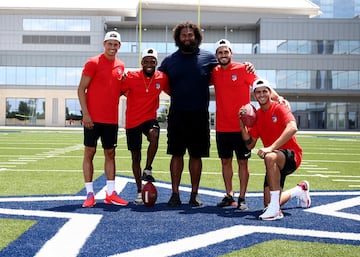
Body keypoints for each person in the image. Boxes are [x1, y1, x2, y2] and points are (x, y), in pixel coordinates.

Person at [211, 39, 285, 210]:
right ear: (216, 56)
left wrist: (278, 97)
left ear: (231, 53)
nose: (223, 55)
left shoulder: (244, 69)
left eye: (226, 52)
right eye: (220, 52)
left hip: (243, 127)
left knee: (243, 163)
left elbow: (262, 86)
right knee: (225, 162)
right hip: (222, 127)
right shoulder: (213, 72)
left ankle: (242, 197)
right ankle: (229, 195)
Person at [158, 21, 219, 207]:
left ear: (196, 37)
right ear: (178, 38)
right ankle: (175, 193)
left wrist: (248, 66)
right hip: (177, 114)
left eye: (190, 35)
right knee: (176, 154)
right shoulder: (169, 61)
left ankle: (194, 194)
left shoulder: (209, 58)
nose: (187, 38)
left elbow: (228, 70)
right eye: (183, 35)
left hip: (199, 115)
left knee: (196, 155)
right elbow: (157, 81)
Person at [239, 78, 311, 220]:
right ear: (254, 95)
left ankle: (276, 211)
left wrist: (270, 148)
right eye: (258, 92)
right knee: (268, 203)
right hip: (274, 162)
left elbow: (292, 127)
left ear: (270, 93)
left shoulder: (279, 107)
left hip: (291, 156)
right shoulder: (257, 115)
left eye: (265, 91)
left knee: (270, 156)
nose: (262, 95)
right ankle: (299, 190)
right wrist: (242, 125)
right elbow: (249, 145)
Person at [78, 31, 128, 208]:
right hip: (92, 118)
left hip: (111, 120)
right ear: (104, 44)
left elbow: (118, 89)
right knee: (89, 153)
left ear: (119, 46)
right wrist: (86, 114)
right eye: (110, 44)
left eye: (116, 44)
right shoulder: (93, 62)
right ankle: (90, 194)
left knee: (110, 154)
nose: (112, 47)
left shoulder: (121, 65)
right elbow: (81, 89)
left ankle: (110, 193)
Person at [121, 48, 169, 204]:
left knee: (154, 134)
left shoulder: (162, 78)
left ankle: (148, 169)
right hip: (133, 120)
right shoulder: (131, 76)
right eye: (146, 61)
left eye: (152, 61)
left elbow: (175, 90)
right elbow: (118, 90)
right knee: (135, 157)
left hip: (149, 118)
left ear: (156, 63)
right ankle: (139, 191)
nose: (149, 64)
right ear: (141, 63)